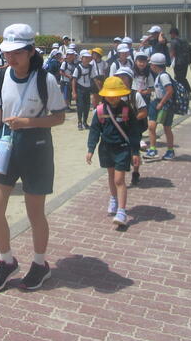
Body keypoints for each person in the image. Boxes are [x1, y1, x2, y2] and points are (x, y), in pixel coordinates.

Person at [0, 24, 65, 293]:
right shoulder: (0, 77)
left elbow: (59, 117)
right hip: (5, 146)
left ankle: (40, 264)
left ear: (31, 51)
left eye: (17, 52)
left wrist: (28, 122)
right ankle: (7, 261)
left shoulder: (46, 80)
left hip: (37, 148)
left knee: (35, 213)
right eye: (7, 52)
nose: (11, 57)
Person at [86, 77, 147, 227]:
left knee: (119, 180)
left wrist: (135, 152)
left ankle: (121, 211)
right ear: (104, 95)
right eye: (110, 95)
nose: (113, 98)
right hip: (106, 148)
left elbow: (134, 132)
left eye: (116, 95)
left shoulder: (127, 110)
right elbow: (94, 131)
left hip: (122, 148)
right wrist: (90, 149)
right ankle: (113, 198)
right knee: (111, 176)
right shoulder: (100, 110)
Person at [144, 53, 175, 160]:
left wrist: (161, 103)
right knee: (151, 126)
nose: (150, 66)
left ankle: (170, 150)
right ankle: (153, 149)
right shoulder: (159, 75)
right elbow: (159, 89)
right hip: (156, 102)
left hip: (164, 103)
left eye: (151, 64)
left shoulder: (163, 76)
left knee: (167, 127)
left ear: (154, 65)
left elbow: (170, 91)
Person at [168, 26, 191, 97]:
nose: (170, 35)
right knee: (181, 77)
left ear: (173, 33)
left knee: (179, 78)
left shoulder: (173, 41)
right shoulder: (184, 40)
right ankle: (184, 92)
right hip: (186, 62)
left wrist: (168, 60)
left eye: (171, 34)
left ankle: (188, 91)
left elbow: (172, 52)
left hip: (178, 62)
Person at [72, 50, 94, 130]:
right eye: (85, 57)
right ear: (81, 58)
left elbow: (92, 78)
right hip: (80, 89)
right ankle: (79, 122)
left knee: (87, 106)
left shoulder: (91, 67)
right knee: (80, 106)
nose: (87, 59)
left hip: (87, 89)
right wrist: (74, 92)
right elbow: (74, 80)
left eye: (88, 57)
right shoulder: (78, 68)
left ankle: (85, 122)